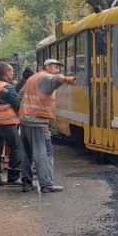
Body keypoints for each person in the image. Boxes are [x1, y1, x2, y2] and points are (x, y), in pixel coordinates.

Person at [19, 58, 74, 194]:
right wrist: (67, 79)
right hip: (38, 122)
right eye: (56, 67)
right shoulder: (46, 77)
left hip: (25, 121)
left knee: (26, 154)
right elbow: (57, 79)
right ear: (48, 66)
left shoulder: (32, 78)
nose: (58, 70)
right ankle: (46, 185)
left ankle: (26, 183)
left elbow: (19, 95)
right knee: (44, 153)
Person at [0, 62, 22, 188]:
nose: (13, 73)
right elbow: (17, 106)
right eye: (11, 71)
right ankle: (13, 177)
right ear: (6, 72)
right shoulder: (8, 88)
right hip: (8, 123)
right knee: (17, 148)